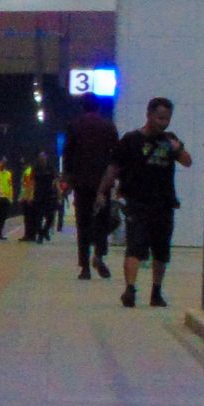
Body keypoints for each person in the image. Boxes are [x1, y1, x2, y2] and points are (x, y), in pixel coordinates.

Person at [102, 95, 193, 308]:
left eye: (167, 118)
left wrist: (178, 149)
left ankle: (156, 292)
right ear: (149, 115)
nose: (163, 123)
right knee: (135, 246)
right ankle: (130, 289)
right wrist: (103, 192)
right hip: (137, 202)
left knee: (161, 250)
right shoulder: (131, 140)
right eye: (160, 118)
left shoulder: (170, 140)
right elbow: (114, 167)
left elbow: (188, 162)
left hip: (164, 203)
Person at [63, 96, 120, 280]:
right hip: (103, 182)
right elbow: (116, 154)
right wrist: (115, 178)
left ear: (83, 107)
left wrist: (68, 179)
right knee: (102, 220)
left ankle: (85, 267)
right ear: (98, 107)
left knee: (83, 223)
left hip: (81, 182)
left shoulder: (74, 125)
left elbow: (68, 154)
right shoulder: (108, 126)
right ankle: (99, 255)